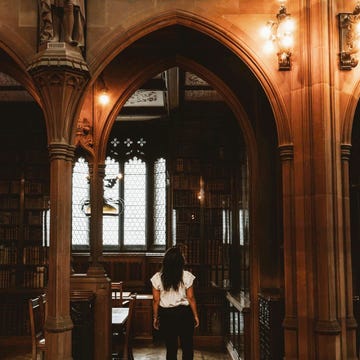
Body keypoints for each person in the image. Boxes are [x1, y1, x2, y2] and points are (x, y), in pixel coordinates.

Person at [151, 246, 199, 360]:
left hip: (166, 315)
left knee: (171, 347)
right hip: (184, 314)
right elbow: (191, 298)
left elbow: (156, 300)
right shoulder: (187, 276)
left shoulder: (157, 278)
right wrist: (196, 316)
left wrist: (155, 317)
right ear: (181, 261)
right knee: (187, 346)